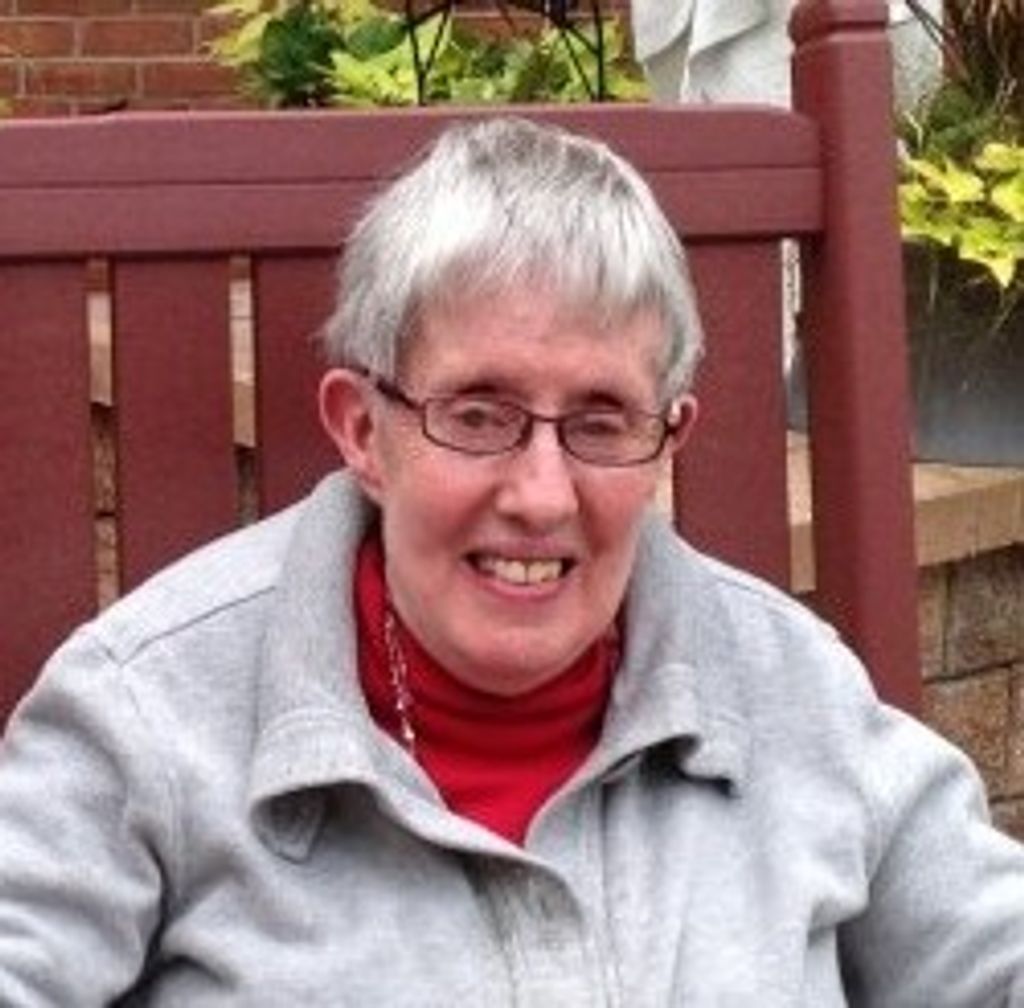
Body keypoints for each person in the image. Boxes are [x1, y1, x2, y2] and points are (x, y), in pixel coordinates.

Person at [0, 117, 1022, 1007]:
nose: (541, 496)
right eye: (478, 415)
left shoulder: (793, 692)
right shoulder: (145, 718)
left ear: (667, 438)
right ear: (361, 430)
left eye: (601, 421)